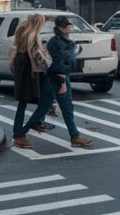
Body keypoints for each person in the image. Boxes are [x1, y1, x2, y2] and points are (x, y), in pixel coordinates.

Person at [23, 16, 93, 148]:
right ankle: (75, 137)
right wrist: (62, 82)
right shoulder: (56, 43)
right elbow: (59, 63)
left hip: (58, 78)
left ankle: (22, 132)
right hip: (57, 78)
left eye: (70, 26)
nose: (70, 28)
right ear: (61, 28)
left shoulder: (64, 42)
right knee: (65, 108)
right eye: (67, 26)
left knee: (46, 108)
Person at [8, 14, 48, 149]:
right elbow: (37, 54)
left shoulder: (22, 30)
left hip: (21, 66)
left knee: (25, 102)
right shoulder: (32, 35)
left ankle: (29, 126)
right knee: (34, 100)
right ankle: (20, 133)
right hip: (28, 69)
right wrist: (47, 64)